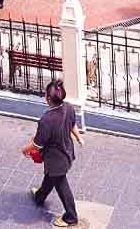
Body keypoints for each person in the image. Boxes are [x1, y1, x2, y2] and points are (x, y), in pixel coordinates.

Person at [24, 80, 83, 227]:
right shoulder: (69, 108)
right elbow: (72, 125)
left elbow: (37, 144)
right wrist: (78, 137)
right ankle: (39, 196)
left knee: (61, 185)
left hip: (56, 160)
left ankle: (71, 217)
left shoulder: (46, 120)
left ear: (48, 99)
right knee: (50, 177)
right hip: (66, 153)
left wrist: (25, 150)